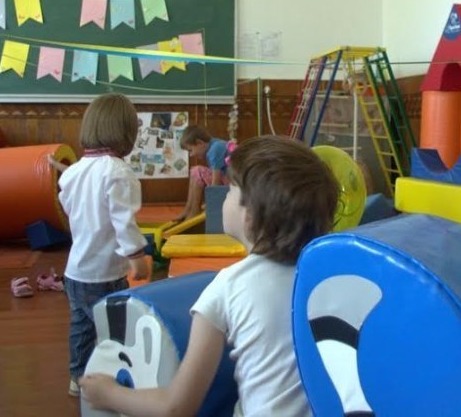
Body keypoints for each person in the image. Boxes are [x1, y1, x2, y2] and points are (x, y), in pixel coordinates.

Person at [80, 135, 338, 416]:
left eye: (231, 190)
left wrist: (108, 394)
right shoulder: (332, 277)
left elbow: (176, 407)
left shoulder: (228, 285)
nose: (224, 195)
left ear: (250, 214)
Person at [50, 93, 151, 397]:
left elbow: (68, 207)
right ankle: (114, 378)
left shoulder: (75, 170)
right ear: (126, 132)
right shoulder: (119, 172)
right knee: (114, 329)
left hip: (75, 271)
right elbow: (123, 221)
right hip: (104, 273)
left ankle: (79, 378)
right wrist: (137, 256)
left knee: (82, 327)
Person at [176, 125, 228, 221]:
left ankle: (194, 210)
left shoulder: (215, 149)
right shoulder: (214, 145)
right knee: (194, 171)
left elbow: (216, 182)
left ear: (200, 143)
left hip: (233, 185)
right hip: (228, 181)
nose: (191, 154)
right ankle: (189, 208)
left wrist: (211, 203)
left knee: (197, 171)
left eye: (190, 150)